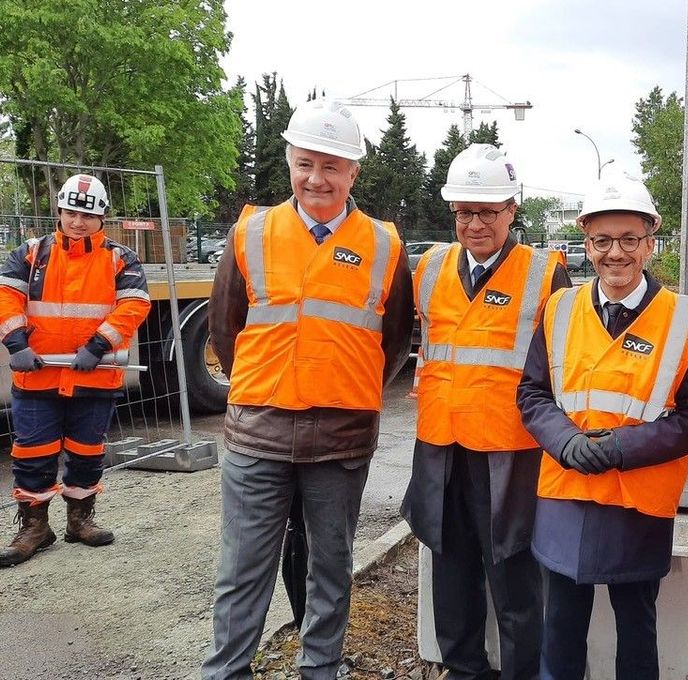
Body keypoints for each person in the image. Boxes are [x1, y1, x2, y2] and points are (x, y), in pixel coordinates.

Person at [202, 99, 414, 679]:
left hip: (342, 436)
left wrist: (345, 383)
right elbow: (226, 330)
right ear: (289, 163)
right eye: (305, 164)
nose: (316, 178)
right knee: (243, 568)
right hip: (257, 433)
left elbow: (392, 341)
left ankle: (321, 668)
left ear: (354, 173)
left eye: (331, 166)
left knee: (331, 564)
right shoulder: (251, 233)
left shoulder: (385, 247)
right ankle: (227, 670)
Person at [517, 169, 688, 679]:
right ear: (586, 241)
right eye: (602, 240)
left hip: (637, 500)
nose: (615, 253)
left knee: (636, 627)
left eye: (630, 239)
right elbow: (532, 393)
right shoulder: (560, 309)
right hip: (565, 492)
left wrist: (622, 447)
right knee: (559, 625)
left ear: (651, 242)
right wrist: (565, 443)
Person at [401, 143, 570, 680]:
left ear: (512, 210)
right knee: (450, 571)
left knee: (514, 575)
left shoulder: (545, 275)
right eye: (465, 211)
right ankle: (464, 668)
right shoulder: (428, 268)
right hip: (441, 443)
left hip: (510, 451)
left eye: (488, 211)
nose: (475, 223)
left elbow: (562, 367)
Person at [0, 173, 150, 567]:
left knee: (87, 451)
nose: (77, 221)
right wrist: (17, 345)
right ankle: (35, 527)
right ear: (60, 211)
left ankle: (80, 520)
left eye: (86, 214)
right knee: (33, 453)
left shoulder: (120, 258)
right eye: (70, 212)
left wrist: (98, 345)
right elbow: (7, 299)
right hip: (39, 374)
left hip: (94, 374)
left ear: (102, 216)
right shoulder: (31, 254)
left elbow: (134, 305)